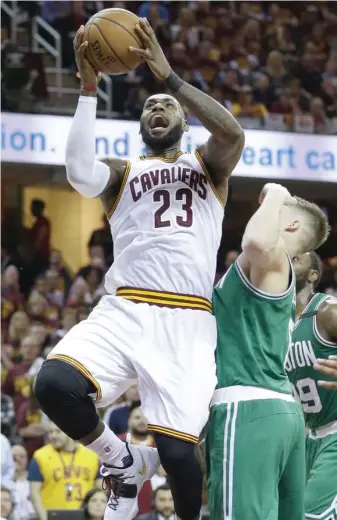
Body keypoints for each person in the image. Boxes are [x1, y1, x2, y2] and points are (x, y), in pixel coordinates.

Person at [34, 16, 244, 520]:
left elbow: (232, 132)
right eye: (150, 105)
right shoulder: (123, 173)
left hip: (186, 320)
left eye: (166, 105)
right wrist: (88, 88)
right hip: (124, 308)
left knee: (177, 457)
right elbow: (79, 173)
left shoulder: (208, 167)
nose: (157, 107)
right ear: (140, 125)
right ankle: (123, 462)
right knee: (53, 385)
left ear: (183, 120)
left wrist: (169, 78)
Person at [206, 183, 330, 520]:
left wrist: (277, 193)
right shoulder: (271, 272)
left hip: (249, 407)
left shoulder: (273, 258)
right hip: (283, 414)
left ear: (288, 225)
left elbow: (256, 241)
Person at [285, 252, 337, 519]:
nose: (286, 260)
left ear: (313, 275)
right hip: (309, 438)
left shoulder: (327, 311)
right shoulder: (279, 327)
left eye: (295, 258)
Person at [29, 422, 102, 520]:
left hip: (85, 516)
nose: (53, 436)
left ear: (70, 432)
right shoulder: (40, 456)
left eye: (58, 432)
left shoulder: (92, 455)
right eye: (50, 432)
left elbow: (100, 491)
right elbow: (34, 494)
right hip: (53, 515)